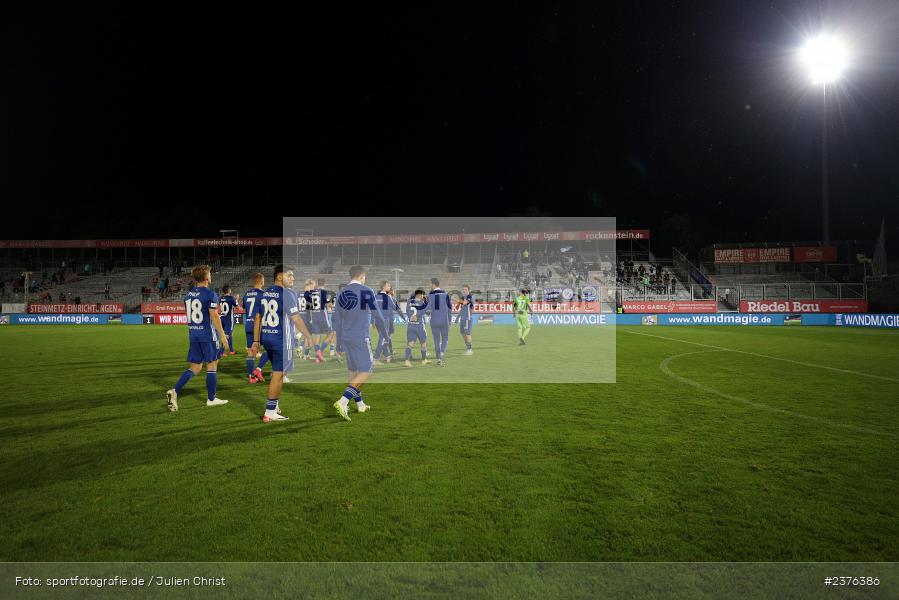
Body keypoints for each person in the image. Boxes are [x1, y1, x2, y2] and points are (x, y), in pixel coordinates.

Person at [250, 265, 312, 422]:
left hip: (267, 338)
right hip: (282, 340)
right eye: (289, 275)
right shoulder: (287, 294)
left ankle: (274, 405)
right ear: (279, 276)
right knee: (279, 374)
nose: (293, 278)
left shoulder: (264, 294)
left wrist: (256, 341)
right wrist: (308, 336)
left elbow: (258, 318)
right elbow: (296, 318)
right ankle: (270, 411)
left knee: (278, 373)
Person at [165, 265, 230, 412]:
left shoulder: (188, 296)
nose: (211, 276)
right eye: (210, 274)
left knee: (195, 367)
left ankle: (174, 391)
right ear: (207, 278)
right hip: (207, 335)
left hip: (194, 334)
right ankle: (211, 399)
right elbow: (214, 316)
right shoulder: (210, 294)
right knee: (212, 364)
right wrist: (223, 336)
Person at [332, 265, 388, 421]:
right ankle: (343, 401)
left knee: (353, 370)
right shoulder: (366, 291)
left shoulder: (341, 293)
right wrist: (385, 335)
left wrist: (338, 345)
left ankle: (360, 404)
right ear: (362, 276)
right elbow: (378, 316)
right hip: (360, 337)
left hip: (346, 337)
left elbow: (337, 321)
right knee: (367, 370)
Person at [242, 273, 269, 384]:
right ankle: (259, 370)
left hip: (248, 324)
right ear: (262, 282)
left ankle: (251, 377)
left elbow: (246, 309)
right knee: (270, 348)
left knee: (250, 352)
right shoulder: (264, 294)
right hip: (260, 325)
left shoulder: (246, 294)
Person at [374, 281, 403, 363]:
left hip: (378, 321)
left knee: (384, 338)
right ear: (383, 287)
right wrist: (403, 317)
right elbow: (396, 308)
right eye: (388, 286)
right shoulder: (388, 297)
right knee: (383, 339)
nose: (390, 287)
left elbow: (373, 309)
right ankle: (376, 358)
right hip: (386, 320)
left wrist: (372, 321)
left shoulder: (376, 296)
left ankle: (387, 355)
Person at [425, 277, 452, 366]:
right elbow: (449, 309)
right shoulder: (446, 295)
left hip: (434, 321)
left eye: (430, 283)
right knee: (445, 339)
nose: (429, 285)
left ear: (433, 284)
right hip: (444, 321)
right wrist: (450, 320)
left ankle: (438, 356)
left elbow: (428, 310)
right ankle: (442, 353)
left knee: (436, 339)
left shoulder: (431, 295)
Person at [403, 288, 430, 368]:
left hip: (411, 325)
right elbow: (425, 311)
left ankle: (407, 361)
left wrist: (410, 317)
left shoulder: (409, 301)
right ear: (421, 294)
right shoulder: (422, 302)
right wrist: (417, 315)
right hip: (420, 326)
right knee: (423, 343)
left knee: (410, 343)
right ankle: (424, 360)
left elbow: (407, 310)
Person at [219, 285, 237, 356]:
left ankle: (231, 350)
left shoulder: (220, 298)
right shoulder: (231, 298)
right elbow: (237, 307)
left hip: (222, 318)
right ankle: (221, 352)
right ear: (229, 290)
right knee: (227, 335)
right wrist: (236, 300)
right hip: (229, 319)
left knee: (229, 334)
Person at [457, 284, 474, 355]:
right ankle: (468, 347)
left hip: (468, 318)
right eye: (463, 289)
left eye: (465, 289)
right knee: (462, 333)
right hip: (463, 318)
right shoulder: (462, 297)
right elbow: (461, 307)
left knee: (467, 333)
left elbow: (464, 303)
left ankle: (470, 350)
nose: (464, 291)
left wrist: (455, 299)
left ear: (468, 290)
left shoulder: (469, 296)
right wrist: (458, 317)